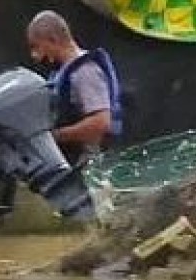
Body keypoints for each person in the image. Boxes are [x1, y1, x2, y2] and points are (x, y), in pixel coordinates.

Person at [25, 10, 123, 166]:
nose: (35, 56)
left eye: (36, 47)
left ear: (53, 39)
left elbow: (100, 123)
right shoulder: (61, 73)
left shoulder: (84, 72)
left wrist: (52, 137)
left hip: (88, 166)